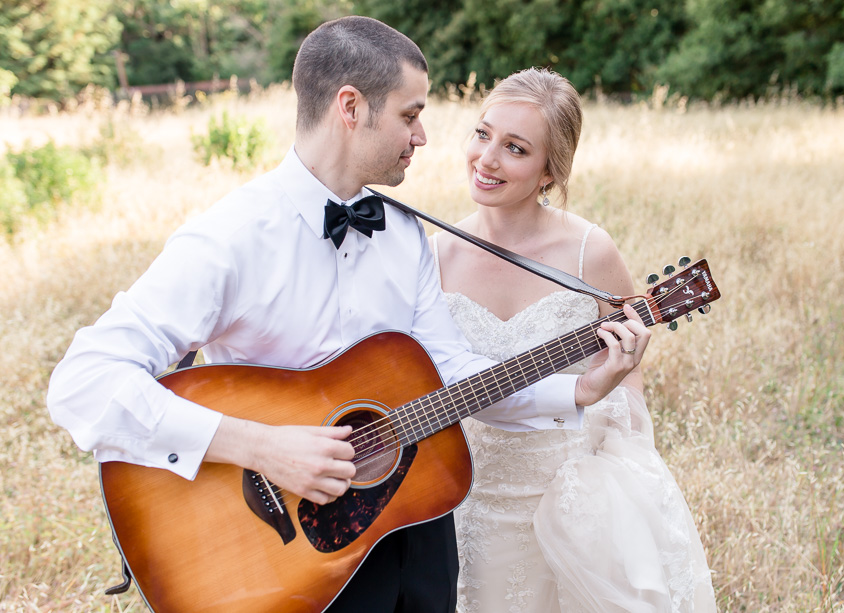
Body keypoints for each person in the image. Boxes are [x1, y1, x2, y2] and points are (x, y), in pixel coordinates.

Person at [45, 18, 649, 613]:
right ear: (351, 107)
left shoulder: (406, 233)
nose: (424, 137)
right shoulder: (230, 239)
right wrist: (261, 446)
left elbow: (447, 368)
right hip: (287, 551)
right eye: (410, 115)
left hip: (415, 521)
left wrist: (580, 389)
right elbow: (83, 382)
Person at [429, 68, 717, 612]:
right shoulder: (436, 255)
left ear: (549, 171)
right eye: (482, 133)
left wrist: (616, 426)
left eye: (515, 148)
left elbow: (625, 364)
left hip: (568, 494)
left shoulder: (590, 251)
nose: (486, 159)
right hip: (468, 496)